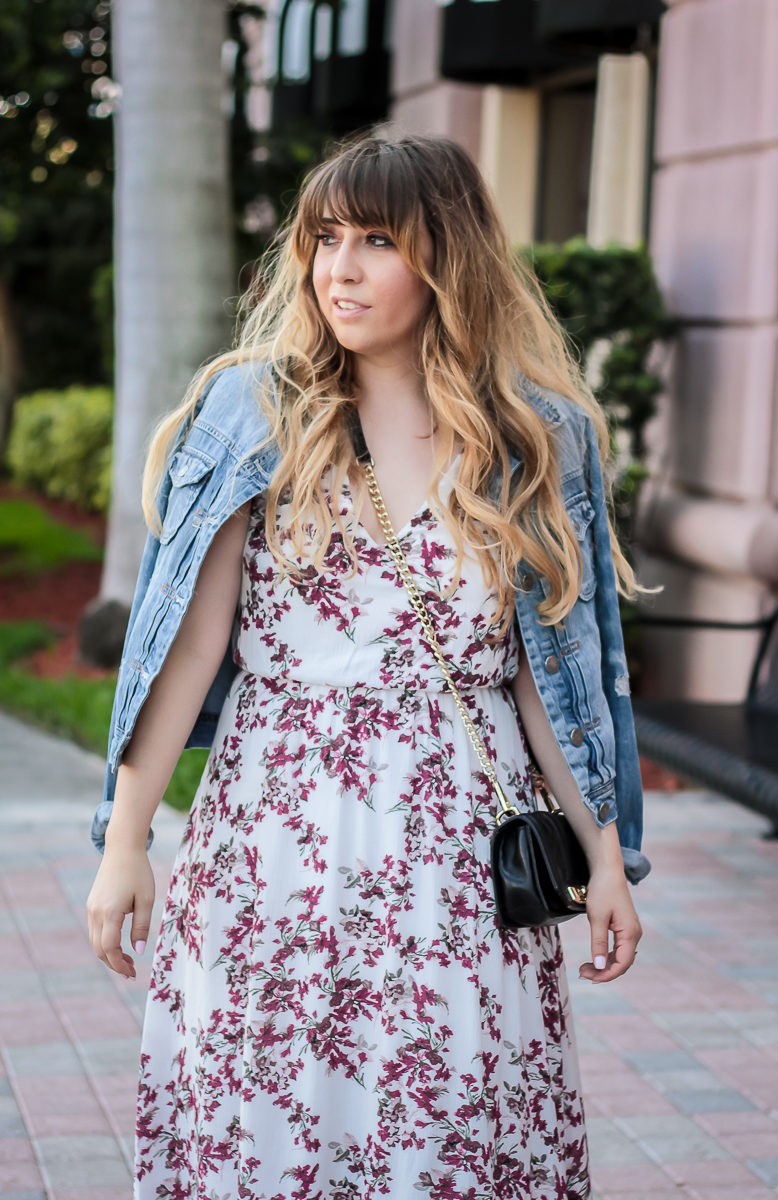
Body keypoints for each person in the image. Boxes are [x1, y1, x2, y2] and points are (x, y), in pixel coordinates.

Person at [86, 133, 649, 1200]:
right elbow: (189, 641)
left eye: (377, 241)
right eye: (323, 239)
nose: (337, 269)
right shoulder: (258, 410)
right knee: (271, 1120)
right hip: (272, 838)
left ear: (447, 258)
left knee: (444, 1123)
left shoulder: (535, 437)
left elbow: (547, 673)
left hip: (454, 855)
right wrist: (124, 842)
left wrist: (606, 854)